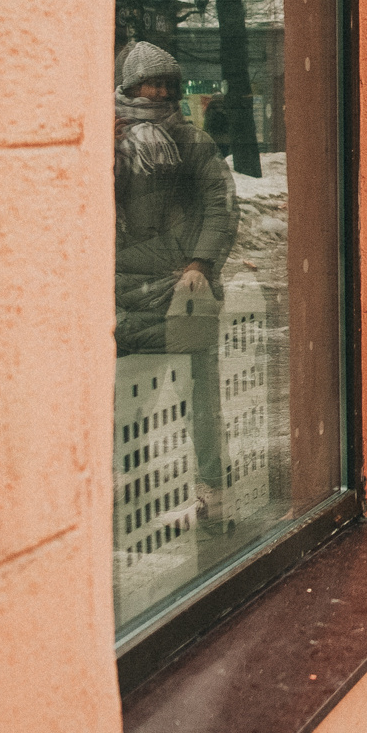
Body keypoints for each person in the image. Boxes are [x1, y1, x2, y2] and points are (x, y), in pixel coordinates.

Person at [113, 41, 239, 523]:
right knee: (131, 399)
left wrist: (200, 265)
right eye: (151, 82)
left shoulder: (192, 143)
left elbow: (220, 206)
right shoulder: (107, 140)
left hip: (185, 293)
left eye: (168, 83)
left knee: (202, 399)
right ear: (128, 86)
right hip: (123, 293)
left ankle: (211, 488)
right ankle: (134, 482)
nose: (161, 91)